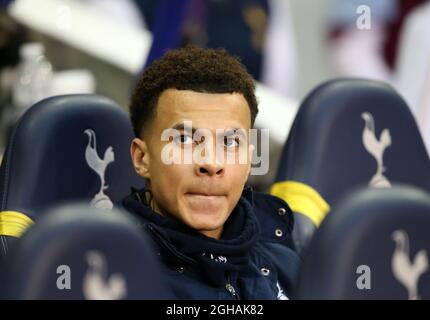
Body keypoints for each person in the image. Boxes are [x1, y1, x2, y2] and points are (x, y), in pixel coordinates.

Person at [121, 45, 300, 299]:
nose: (211, 163)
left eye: (230, 142)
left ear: (249, 160)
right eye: (184, 140)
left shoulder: (283, 258)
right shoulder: (109, 273)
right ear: (142, 158)